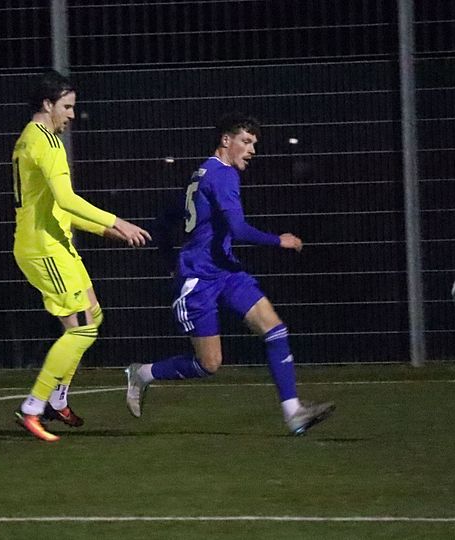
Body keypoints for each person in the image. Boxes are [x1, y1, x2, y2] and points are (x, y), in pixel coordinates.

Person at [125, 113, 334, 435]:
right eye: (246, 142)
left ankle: (294, 412)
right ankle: (143, 373)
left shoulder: (202, 172)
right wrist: (279, 240)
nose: (252, 150)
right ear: (226, 140)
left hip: (226, 270)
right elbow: (237, 228)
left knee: (274, 329)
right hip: (199, 280)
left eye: (254, 144)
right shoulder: (222, 175)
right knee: (209, 364)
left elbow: (167, 217)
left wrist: (169, 257)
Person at [12, 70, 151, 442]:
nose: (72, 115)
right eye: (67, 107)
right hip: (45, 248)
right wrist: (117, 220)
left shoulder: (30, 138)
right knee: (83, 329)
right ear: (48, 104)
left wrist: (108, 231)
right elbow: (67, 199)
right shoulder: (46, 141)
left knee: (93, 315)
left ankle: (57, 400)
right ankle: (33, 407)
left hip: (55, 242)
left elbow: (59, 208)